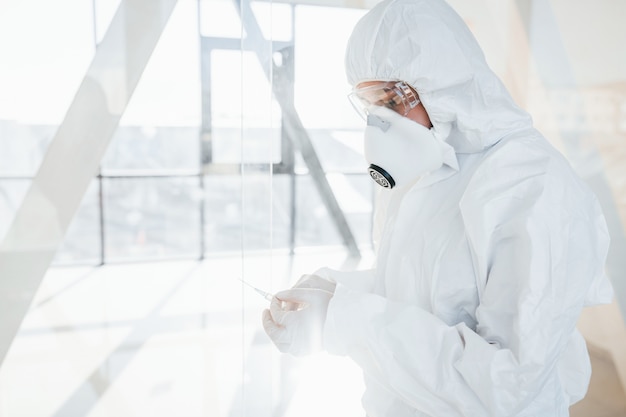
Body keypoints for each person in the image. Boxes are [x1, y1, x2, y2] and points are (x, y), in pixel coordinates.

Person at [262, 0, 614, 415]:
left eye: (392, 102)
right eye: (371, 105)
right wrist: (336, 293)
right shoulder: (426, 174)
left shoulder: (535, 185)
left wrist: (343, 321)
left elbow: (505, 386)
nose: (380, 122)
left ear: (444, 82)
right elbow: (423, 294)